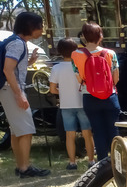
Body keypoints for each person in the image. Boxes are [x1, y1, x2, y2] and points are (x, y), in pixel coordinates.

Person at [0, 12, 50, 178]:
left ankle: (20, 166)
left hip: (7, 89)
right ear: (31, 27)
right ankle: (24, 168)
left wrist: (29, 62)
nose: (42, 30)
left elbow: (12, 67)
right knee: (26, 130)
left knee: (16, 131)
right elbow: (7, 70)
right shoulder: (18, 44)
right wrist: (19, 94)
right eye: (40, 26)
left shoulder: (15, 42)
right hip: (11, 89)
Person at [71, 22, 119, 161]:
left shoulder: (76, 55)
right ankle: (117, 162)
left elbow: (79, 79)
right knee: (113, 130)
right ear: (100, 36)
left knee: (97, 131)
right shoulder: (110, 53)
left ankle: (102, 163)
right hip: (110, 96)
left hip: (89, 96)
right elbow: (116, 78)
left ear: (84, 37)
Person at [50, 38, 95, 170]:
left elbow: (52, 89)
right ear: (76, 49)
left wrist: (62, 91)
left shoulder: (56, 68)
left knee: (70, 135)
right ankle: (91, 160)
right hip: (82, 102)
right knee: (88, 133)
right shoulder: (81, 65)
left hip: (66, 105)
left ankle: (72, 162)